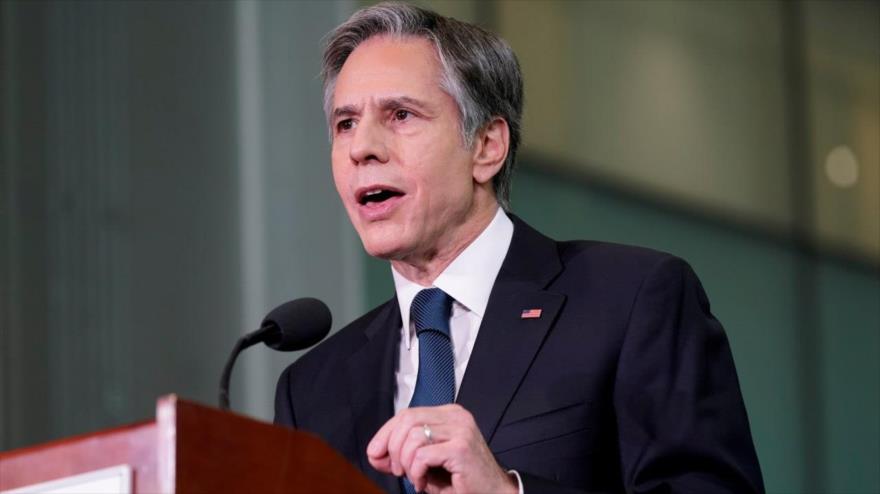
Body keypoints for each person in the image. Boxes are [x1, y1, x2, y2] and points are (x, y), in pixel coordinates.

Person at [274, 3, 765, 493]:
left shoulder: (631, 301)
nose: (362, 148)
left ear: (487, 145)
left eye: (400, 115)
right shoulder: (312, 389)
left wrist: (507, 492)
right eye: (345, 124)